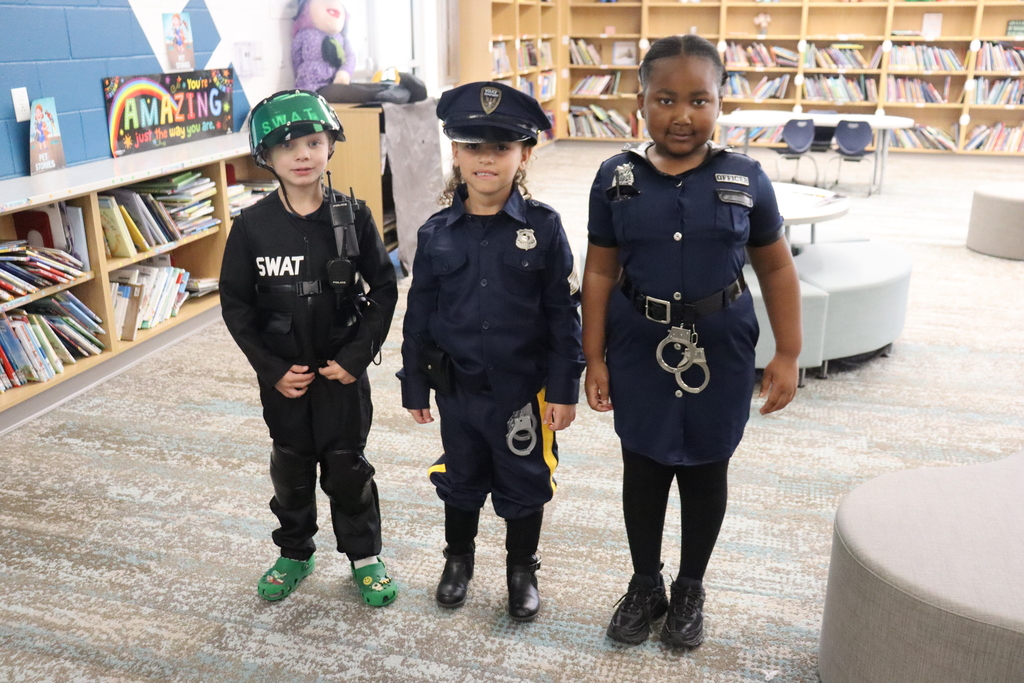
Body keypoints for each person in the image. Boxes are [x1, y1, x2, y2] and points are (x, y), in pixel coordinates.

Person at [581, 35, 801, 647]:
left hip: (721, 345)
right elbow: (599, 270)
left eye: (699, 100)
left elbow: (778, 268)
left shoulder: (746, 177)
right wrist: (592, 357)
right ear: (641, 103)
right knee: (643, 468)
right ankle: (646, 582)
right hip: (639, 345)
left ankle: (689, 586)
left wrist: (787, 352)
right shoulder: (615, 177)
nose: (683, 115)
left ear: (720, 102)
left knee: (707, 471)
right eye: (666, 99)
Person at [398, 82, 584, 622]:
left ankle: (521, 569)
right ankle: (458, 560)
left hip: (521, 392)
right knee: (461, 477)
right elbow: (419, 318)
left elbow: (560, 314)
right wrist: (414, 382)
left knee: (525, 482)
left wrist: (566, 387)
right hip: (457, 389)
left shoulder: (545, 229)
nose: (486, 159)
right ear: (454, 153)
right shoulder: (435, 234)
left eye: (501, 147)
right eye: (473, 147)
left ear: (524, 154)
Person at [220, 89, 399, 606]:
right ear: (267, 157)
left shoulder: (354, 215)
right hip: (285, 379)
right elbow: (236, 305)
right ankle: (295, 551)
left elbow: (384, 289)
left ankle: (364, 556)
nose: (302, 155)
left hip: (341, 374)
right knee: (292, 469)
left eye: (313, 142)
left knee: (348, 468)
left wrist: (356, 356)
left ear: (329, 147)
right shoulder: (251, 226)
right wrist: (271, 369)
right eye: (287, 146)